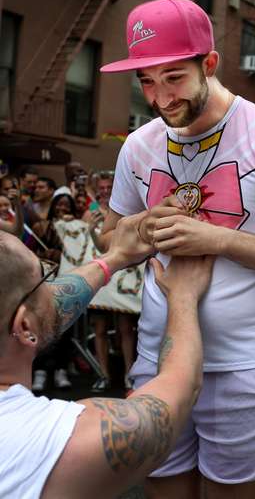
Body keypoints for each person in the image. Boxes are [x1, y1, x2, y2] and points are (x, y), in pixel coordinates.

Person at [98, 0, 255, 497]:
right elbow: (109, 238)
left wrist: (219, 238)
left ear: (209, 63)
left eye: (173, 77)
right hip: (157, 360)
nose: (159, 98)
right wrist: (143, 228)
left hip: (243, 366)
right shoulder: (137, 146)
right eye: (145, 81)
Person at [0, 212, 219, 498]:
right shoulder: (47, 443)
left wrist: (113, 259)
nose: (52, 286)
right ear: (25, 326)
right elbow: (179, 390)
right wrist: (183, 297)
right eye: (44, 276)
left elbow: (43, 309)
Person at [86, 171, 139, 392]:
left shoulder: (126, 211)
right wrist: (88, 228)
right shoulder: (89, 214)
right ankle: (103, 374)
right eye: (102, 189)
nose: (106, 192)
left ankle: (129, 374)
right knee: (99, 328)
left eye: (110, 188)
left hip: (124, 280)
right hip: (100, 280)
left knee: (126, 328)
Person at [29, 194, 79, 392]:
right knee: (41, 325)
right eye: (59, 204)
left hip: (68, 283)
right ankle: (39, 370)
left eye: (67, 205)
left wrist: (62, 255)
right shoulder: (42, 227)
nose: (63, 207)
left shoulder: (78, 229)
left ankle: (60, 369)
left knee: (64, 327)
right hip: (44, 282)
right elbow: (29, 251)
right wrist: (44, 255)